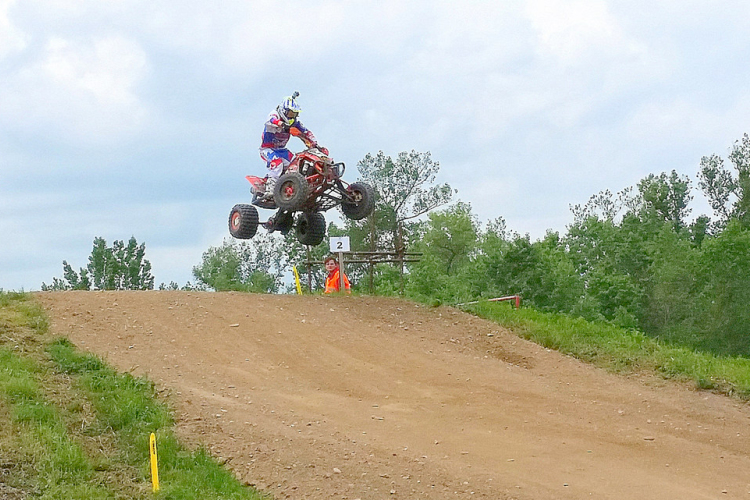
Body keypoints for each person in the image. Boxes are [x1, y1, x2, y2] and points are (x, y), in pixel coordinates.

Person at [258, 92, 327, 200]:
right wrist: (281, 124)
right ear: (284, 111)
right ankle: (270, 189)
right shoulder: (275, 114)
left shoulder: (295, 123)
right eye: (290, 113)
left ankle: (295, 187)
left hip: (282, 150)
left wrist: (315, 144)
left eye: (294, 114)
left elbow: (306, 132)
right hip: (268, 149)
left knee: (297, 162)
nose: (292, 116)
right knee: (277, 163)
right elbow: (270, 120)